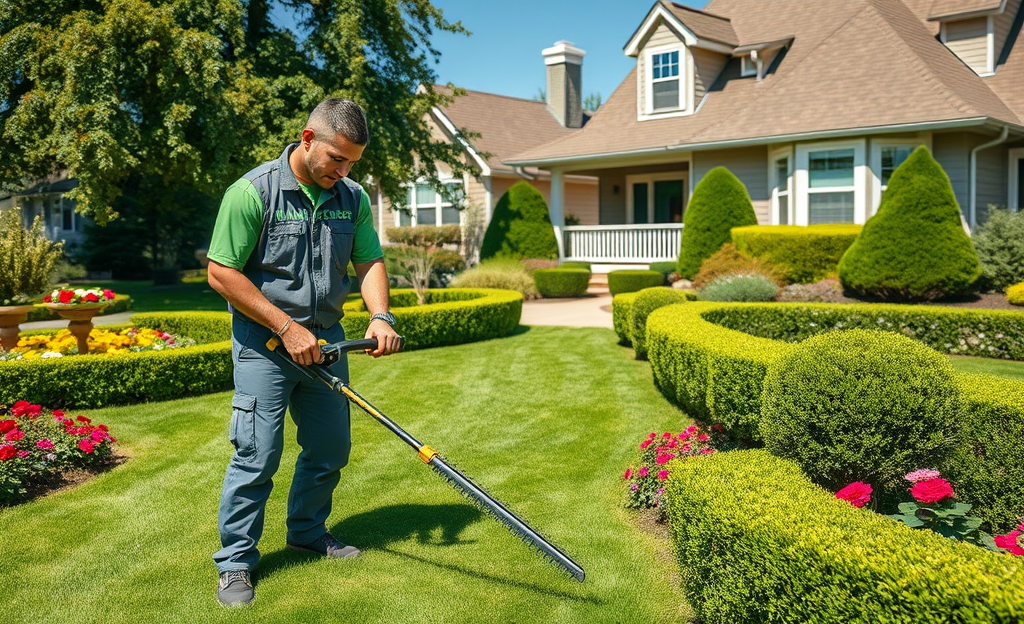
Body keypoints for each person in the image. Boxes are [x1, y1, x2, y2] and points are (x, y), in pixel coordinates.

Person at [205, 98, 401, 607]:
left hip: (328, 346)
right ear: (308, 139)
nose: (345, 170)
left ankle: (307, 531)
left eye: (353, 162)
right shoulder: (253, 193)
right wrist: (287, 326)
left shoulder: (350, 198)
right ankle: (235, 564)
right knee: (257, 454)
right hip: (264, 344)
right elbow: (221, 272)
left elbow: (370, 261)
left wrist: (380, 315)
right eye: (338, 158)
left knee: (331, 448)